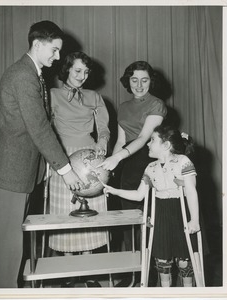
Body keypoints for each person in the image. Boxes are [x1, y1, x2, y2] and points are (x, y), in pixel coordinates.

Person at [0, 20, 83, 288]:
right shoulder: (23, 75)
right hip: (12, 171)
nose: (57, 57)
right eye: (54, 50)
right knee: (6, 247)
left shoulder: (33, 73)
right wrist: (66, 171)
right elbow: (39, 127)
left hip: (22, 169)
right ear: (37, 44)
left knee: (12, 244)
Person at [104, 124, 200, 287]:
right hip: (160, 217)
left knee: (184, 262)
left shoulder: (183, 162)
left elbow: (191, 191)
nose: (147, 144)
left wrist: (195, 220)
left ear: (166, 145)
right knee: (162, 263)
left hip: (181, 216)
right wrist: (115, 191)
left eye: (152, 140)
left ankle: (188, 292)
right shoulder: (150, 168)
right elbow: (139, 194)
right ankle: (165, 292)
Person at [99, 60, 167, 286]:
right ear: (128, 81)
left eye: (144, 80)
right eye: (134, 79)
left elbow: (143, 138)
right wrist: (110, 165)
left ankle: (154, 275)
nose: (139, 85)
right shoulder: (124, 106)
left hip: (149, 162)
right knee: (129, 222)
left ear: (151, 82)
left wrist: (118, 157)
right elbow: (120, 140)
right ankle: (135, 274)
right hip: (127, 164)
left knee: (149, 220)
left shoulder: (157, 104)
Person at [48, 51, 110, 288]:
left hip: (89, 158)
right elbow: (46, 129)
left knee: (92, 213)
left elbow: (103, 127)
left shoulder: (94, 96)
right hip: (63, 158)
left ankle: (90, 269)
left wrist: (102, 145)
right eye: (77, 71)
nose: (82, 76)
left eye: (86, 72)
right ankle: (68, 269)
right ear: (66, 70)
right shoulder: (52, 95)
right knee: (66, 212)